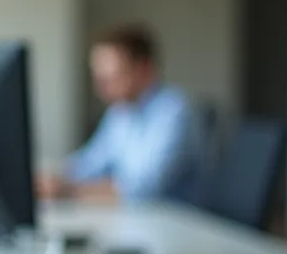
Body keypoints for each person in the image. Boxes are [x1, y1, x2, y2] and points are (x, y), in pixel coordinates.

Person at [38, 22, 206, 204]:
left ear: (143, 69)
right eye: (99, 78)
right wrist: (52, 177)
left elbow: (145, 189)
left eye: (112, 77)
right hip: (136, 219)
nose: (100, 88)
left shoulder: (174, 111)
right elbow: (90, 162)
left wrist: (67, 190)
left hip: (175, 222)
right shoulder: (120, 111)